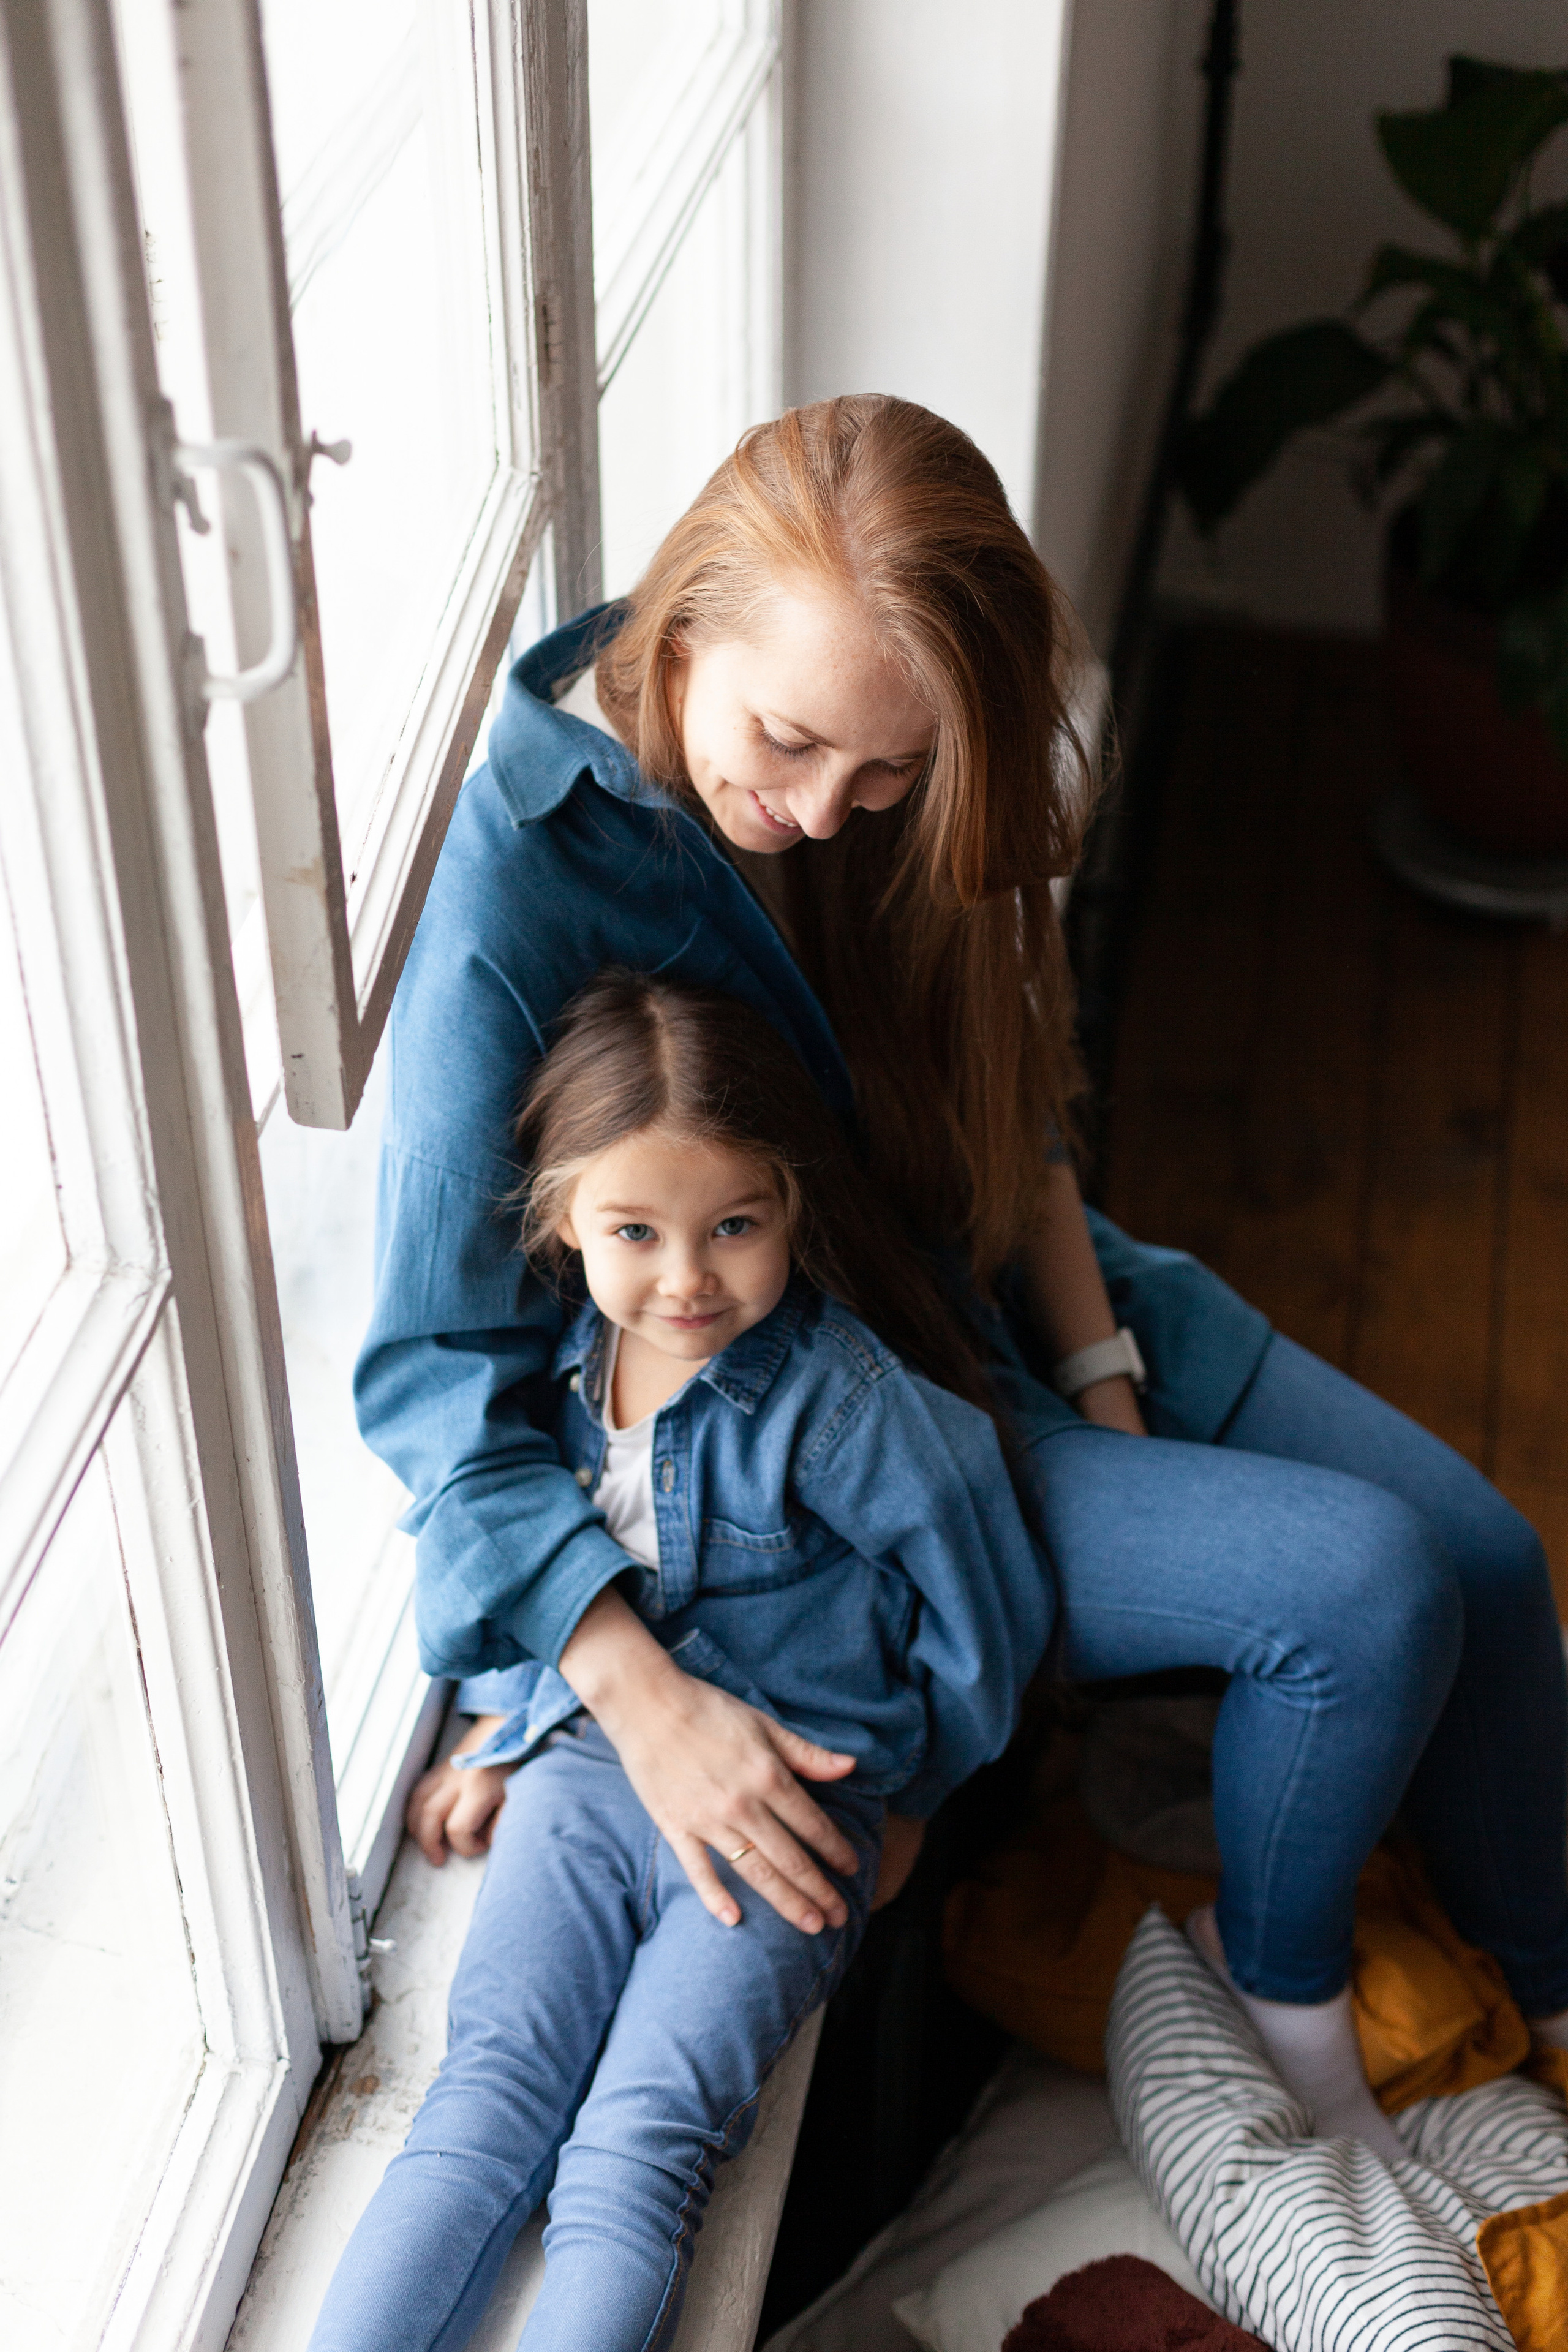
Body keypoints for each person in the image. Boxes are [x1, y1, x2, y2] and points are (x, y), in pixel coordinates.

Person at [356, 394, 1568, 2232]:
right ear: (683, 621)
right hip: (862, 1422)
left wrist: (1104, 1375)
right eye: (787, 745)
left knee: (1491, 1556)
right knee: (1369, 1588)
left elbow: (1013, 1123)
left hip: (1019, 1300)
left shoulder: (888, 734)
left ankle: (1545, 2000)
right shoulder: (517, 888)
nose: (823, 811)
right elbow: (436, 1379)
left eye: (887, 775)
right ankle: (1288, 2016)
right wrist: (627, 1696)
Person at [311, 971, 1050, 2351]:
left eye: (734, 1226)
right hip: (588, 1776)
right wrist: (506, 1722)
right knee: (480, 2110)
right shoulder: (558, 1374)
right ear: (563, 1221)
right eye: (635, 1232)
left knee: (636, 2153)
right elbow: (518, 1553)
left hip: (791, 1817)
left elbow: (983, 1600)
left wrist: (911, 1802)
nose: (688, 1277)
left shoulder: (846, 1404)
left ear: (791, 1207)